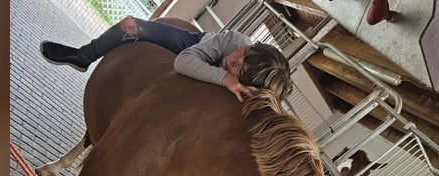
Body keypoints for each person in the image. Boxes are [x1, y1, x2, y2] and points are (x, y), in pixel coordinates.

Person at [40, 16, 292, 102]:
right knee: (130, 25)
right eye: (241, 57)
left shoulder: (252, 89)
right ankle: (83, 55)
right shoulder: (236, 41)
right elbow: (184, 61)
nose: (233, 61)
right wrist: (225, 77)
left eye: (239, 70)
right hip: (195, 45)